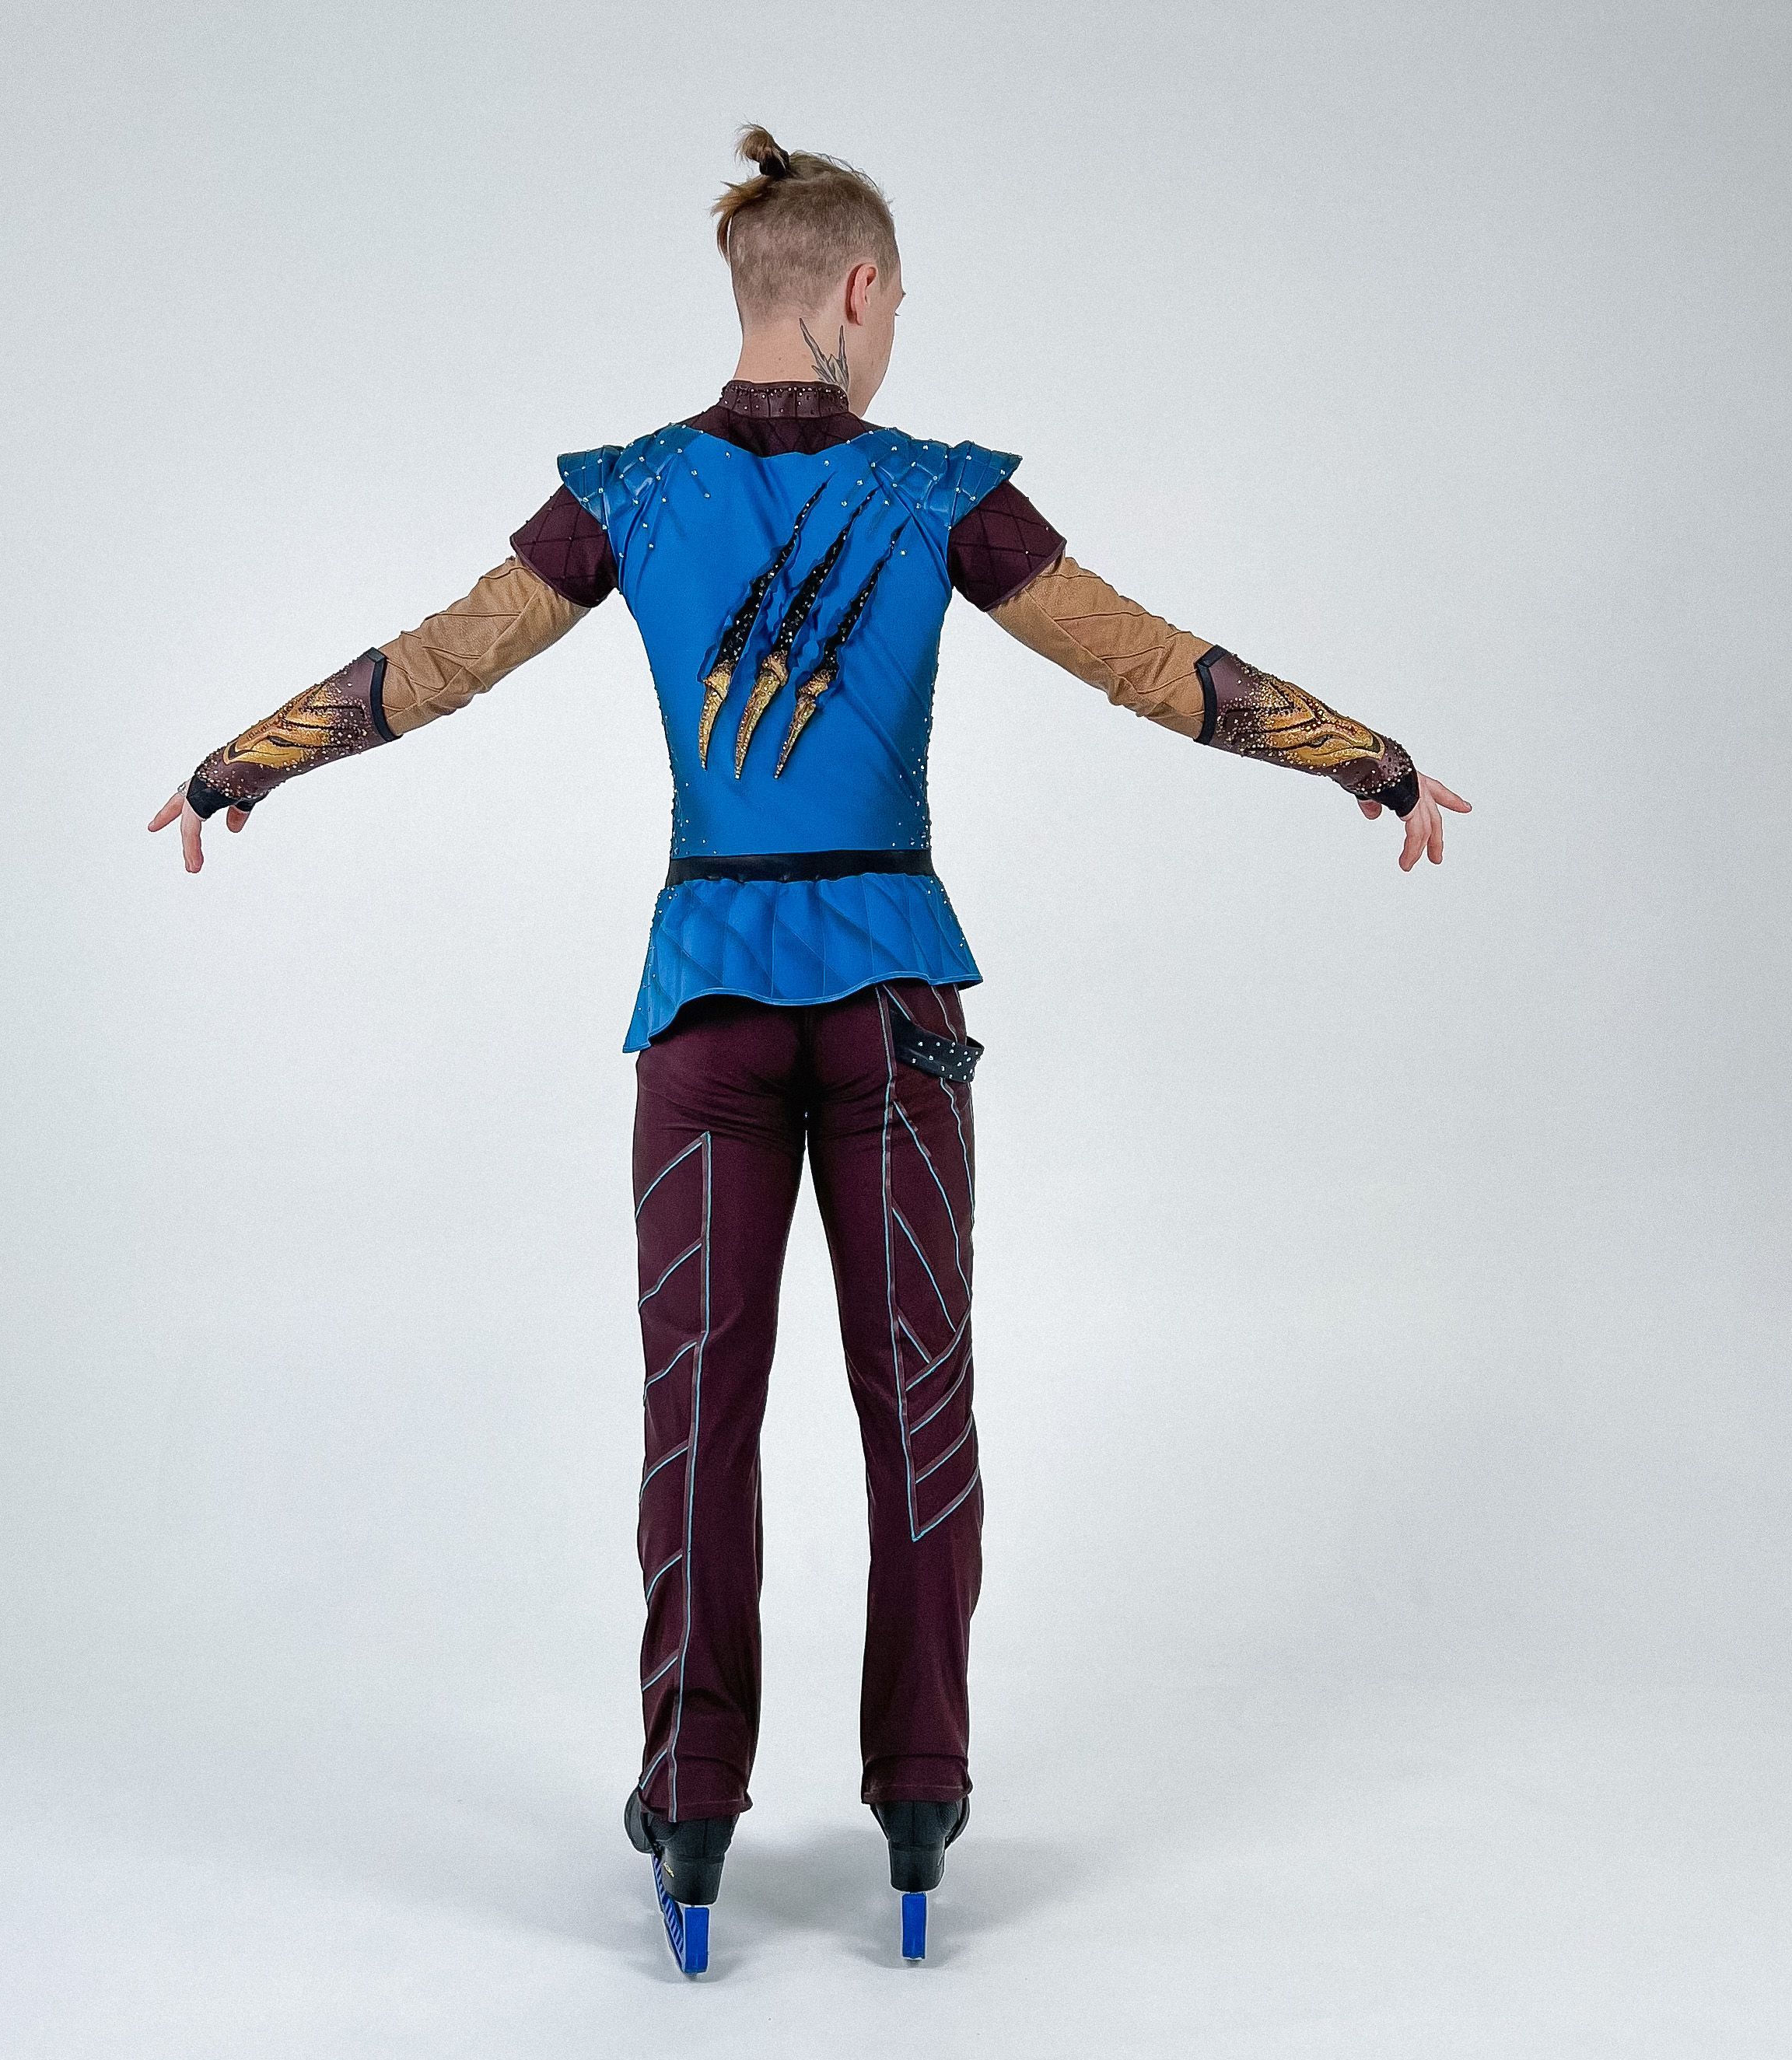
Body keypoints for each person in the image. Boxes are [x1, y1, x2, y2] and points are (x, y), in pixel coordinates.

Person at [149, 124, 1469, 1966]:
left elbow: (434, 661)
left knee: (695, 1412)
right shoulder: (938, 497)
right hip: (894, 1009)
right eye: (898, 301)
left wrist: (244, 764)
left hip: (701, 1004)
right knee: (917, 1399)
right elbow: (1149, 661)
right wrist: (1362, 759)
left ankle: (689, 1801)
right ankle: (916, 1792)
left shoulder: (626, 496)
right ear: (855, 290)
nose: (897, 329)